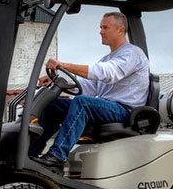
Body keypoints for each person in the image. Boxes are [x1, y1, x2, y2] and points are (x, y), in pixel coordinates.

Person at [29, 11, 150, 172]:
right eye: (100, 27)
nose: (100, 31)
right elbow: (88, 87)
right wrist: (60, 82)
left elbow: (107, 73)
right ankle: (30, 153)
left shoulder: (132, 53)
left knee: (82, 103)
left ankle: (57, 157)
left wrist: (63, 65)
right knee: (54, 105)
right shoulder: (108, 58)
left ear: (120, 30)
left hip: (124, 110)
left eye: (105, 27)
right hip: (107, 107)